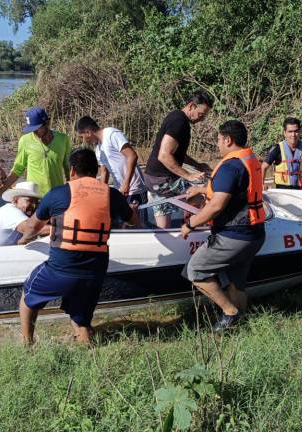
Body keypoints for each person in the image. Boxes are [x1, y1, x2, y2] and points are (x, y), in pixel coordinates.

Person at [15, 148, 137, 346]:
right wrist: (129, 209)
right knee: (81, 320)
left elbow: (33, 227)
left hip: (62, 267)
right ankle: (86, 350)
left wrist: (23, 234)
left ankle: (26, 342)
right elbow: (133, 221)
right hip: (95, 271)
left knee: (28, 294)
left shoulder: (58, 193)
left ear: (72, 170)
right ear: (96, 170)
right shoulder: (112, 195)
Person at [181, 120, 266, 331]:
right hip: (254, 233)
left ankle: (230, 313)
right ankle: (241, 324)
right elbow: (235, 191)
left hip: (233, 235)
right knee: (237, 282)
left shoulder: (230, 166)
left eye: (218, 140)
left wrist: (190, 224)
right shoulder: (248, 159)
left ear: (228, 140)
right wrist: (203, 190)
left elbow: (217, 205)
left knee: (196, 270)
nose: (217, 145)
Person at [143, 91, 214, 228]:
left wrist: (197, 164)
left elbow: (175, 153)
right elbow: (164, 156)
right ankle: (194, 229)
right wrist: (189, 176)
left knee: (163, 216)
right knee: (202, 197)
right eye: (201, 114)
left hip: (154, 177)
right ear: (191, 106)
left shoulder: (177, 117)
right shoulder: (179, 122)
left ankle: (166, 235)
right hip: (162, 179)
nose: (202, 118)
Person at [0, 107, 71, 199]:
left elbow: (68, 167)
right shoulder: (25, 141)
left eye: (37, 129)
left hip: (57, 195)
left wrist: (71, 189)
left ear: (47, 123)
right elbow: (17, 170)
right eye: (32, 130)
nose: (34, 132)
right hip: (34, 197)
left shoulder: (63, 139)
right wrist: (0, 192)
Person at [74, 115, 147, 211]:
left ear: (88, 132)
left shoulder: (111, 134)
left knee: (139, 223)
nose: (83, 141)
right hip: (120, 192)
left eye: (82, 137)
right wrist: (100, 194)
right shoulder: (98, 149)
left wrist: (126, 183)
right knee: (125, 224)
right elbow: (104, 172)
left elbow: (132, 156)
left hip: (134, 189)